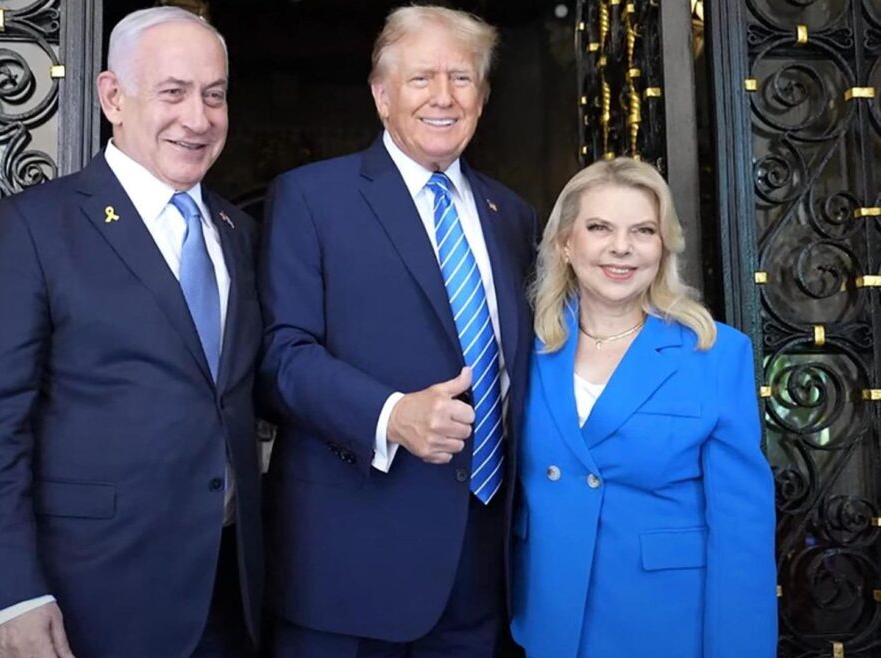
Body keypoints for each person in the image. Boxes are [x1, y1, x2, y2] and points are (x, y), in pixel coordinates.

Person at [0, 7, 263, 657]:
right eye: (173, 92)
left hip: (228, 596)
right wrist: (12, 594)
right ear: (113, 97)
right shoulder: (36, 226)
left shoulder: (238, 232)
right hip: (89, 598)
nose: (198, 118)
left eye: (214, 95)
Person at [258, 5, 538, 656]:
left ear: (482, 97)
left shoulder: (513, 215)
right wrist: (390, 415)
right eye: (421, 78)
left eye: (461, 78)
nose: (444, 96)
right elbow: (280, 356)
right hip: (349, 569)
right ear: (382, 95)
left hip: (482, 570)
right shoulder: (311, 198)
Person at [510, 157, 777, 657]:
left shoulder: (716, 353)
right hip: (545, 623)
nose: (622, 247)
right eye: (599, 228)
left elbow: (742, 533)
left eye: (643, 230)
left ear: (663, 246)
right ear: (565, 243)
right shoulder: (522, 347)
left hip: (666, 624)